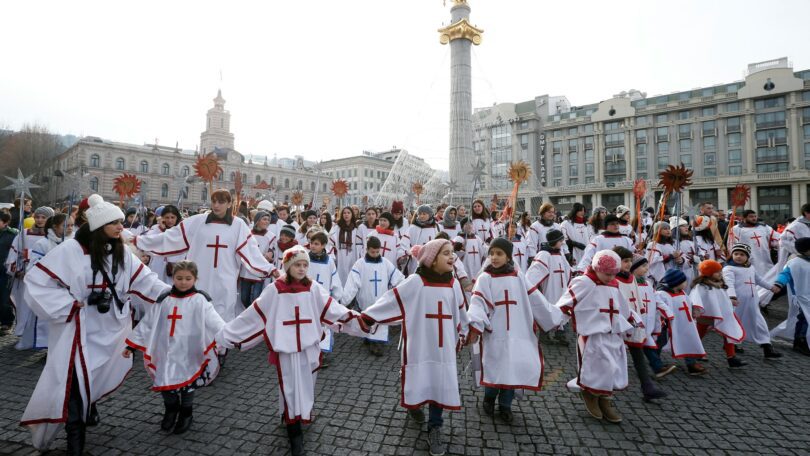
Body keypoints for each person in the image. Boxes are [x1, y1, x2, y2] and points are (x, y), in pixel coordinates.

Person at [21, 194, 170, 454]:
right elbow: (36, 282)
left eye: (121, 222)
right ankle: (75, 440)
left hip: (110, 329)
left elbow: (145, 280)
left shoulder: (121, 250)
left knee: (95, 375)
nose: (121, 227)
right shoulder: (70, 250)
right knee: (74, 382)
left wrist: (174, 293)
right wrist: (69, 304)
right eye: (114, 222)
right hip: (76, 328)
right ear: (99, 226)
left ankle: (89, 410)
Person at [216, 245, 366, 456]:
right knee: (290, 388)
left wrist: (358, 320)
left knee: (306, 385)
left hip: (309, 348)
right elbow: (253, 315)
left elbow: (333, 309)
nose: (302, 268)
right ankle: (294, 431)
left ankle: (302, 414)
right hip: (286, 350)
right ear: (287, 266)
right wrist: (227, 334)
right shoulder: (275, 289)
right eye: (297, 264)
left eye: (305, 264)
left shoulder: (313, 288)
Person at [360, 239, 469, 456]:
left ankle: (435, 426)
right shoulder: (416, 282)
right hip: (420, 344)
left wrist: (463, 332)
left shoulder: (454, 283)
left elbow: (460, 312)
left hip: (443, 347)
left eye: (452, 254)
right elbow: (393, 300)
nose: (451, 257)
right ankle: (414, 404)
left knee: (440, 380)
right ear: (431, 259)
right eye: (445, 253)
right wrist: (369, 316)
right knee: (418, 377)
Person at [134, 189, 276, 323]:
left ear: (229, 204)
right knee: (196, 314)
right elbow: (170, 237)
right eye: (214, 201)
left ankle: (218, 348)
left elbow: (251, 251)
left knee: (221, 316)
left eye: (221, 202)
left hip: (225, 280)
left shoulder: (238, 225)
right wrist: (139, 241)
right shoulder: (197, 221)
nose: (216, 205)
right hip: (199, 277)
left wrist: (269, 269)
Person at [466, 237, 562, 423]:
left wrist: (555, 315)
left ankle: (505, 405)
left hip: (518, 331)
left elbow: (536, 300)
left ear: (509, 257)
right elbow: (477, 303)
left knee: (512, 368)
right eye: (492, 253)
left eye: (499, 254)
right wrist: (475, 323)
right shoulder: (485, 278)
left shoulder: (518, 277)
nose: (494, 257)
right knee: (495, 366)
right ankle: (489, 398)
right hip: (496, 332)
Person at [124, 261, 225, 434]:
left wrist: (230, 336)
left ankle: (186, 413)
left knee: (188, 384)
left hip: (189, 351)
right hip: (166, 352)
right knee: (165, 380)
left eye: (188, 278)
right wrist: (131, 346)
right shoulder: (164, 300)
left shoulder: (200, 300)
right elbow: (148, 323)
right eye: (179, 278)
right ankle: (171, 410)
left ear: (195, 279)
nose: (183, 282)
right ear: (173, 278)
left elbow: (215, 321)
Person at [555, 250, 632, 423]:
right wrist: (556, 319)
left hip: (613, 332)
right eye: (607, 273)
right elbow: (566, 301)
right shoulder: (584, 282)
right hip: (592, 333)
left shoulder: (613, 283)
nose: (610, 277)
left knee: (613, 366)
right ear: (597, 268)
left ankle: (605, 400)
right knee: (595, 366)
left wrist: (631, 318)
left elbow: (621, 305)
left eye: (613, 274)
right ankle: (590, 394)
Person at [613, 249, 667, 402]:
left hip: (633, 322)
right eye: (625, 261)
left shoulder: (631, 278)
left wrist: (640, 316)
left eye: (630, 261)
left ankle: (647, 386)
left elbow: (636, 298)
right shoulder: (612, 280)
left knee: (638, 354)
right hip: (618, 324)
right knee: (613, 356)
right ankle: (603, 389)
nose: (628, 264)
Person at [342, 236, 404, 355]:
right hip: (365, 297)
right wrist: (344, 300)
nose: (375, 254)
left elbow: (397, 278)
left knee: (380, 320)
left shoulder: (386, 263)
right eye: (372, 252)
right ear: (367, 249)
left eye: (377, 252)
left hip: (381, 298)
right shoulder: (360, 264)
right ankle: (368, 337)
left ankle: (376, 343)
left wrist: (404, 288)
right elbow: (352, 283)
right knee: (367, 318)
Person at [723, 243, 783, 359]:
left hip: (752, 302)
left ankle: (767, 347)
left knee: (760, 323)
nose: (738, 256)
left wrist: (771, 287)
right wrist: (732, 297)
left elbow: (758, 280)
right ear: (732, 255)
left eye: (742, 254)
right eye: (736, 254)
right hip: (738, 302)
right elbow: (728, 283)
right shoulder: (729, 269)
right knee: (735, 323)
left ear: (747, 257)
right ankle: (731, 344)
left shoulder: (750, 267)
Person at [5, 206, 52, 349]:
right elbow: (14, 253)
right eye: (37, 216)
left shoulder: (51, 237)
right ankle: (24, 335)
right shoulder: (24, 234)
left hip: (43, 281)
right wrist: (17, 270)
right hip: (24, 278)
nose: (39, 220)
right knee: (24, 307)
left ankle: (40, 339)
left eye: (43, 217)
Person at [689, 260, 747, 368]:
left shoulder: (720, 285)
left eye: (720, 271)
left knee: (728, 332)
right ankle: (695, 352)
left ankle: (731, 357)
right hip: (706, 315)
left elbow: (721, 299)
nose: (720, 274)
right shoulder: (702, 286)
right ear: (709, 273)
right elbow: (695, 297)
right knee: (699, 333)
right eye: (717, 272)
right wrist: (696, 309)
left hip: (722, 314)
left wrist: (730, 301)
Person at [655, 268, 707, 376]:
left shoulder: (682, 292)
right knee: (660, 343)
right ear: (677, 282)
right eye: (684, 281)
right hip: (667, 325)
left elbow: (689, 303)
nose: (686, 283)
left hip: (685, 323)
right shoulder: (662, 294)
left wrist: (693, 309)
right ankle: (656, 364)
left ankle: (691, 364)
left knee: (689, 340)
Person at [526, 228, 570, 346]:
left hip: (561, 288)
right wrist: (529, 285)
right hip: (549, 288)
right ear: (554, 241)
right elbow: (536, 271)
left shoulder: (560, 253)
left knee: (561, 309)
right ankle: (545, 334)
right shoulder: (544, 254)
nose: (562, 243)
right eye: (561, 241)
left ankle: (560, 334)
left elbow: (567, 270)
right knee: (547, 309)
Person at [307, 229, 343, 357]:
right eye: (312, 243)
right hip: (307, 297)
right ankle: (310, 350)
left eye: (316, 244)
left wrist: (336, 297)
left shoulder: (329, 262)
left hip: (323, 299)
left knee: (324, 325)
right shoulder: (306, 259)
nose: (313, 246)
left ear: (323, 245)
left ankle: (323, 353)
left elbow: (335, 280)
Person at [771, 237, 810, 355]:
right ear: (806, 250)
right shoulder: (794, 263)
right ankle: (800, 340)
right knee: (804, 319)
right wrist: (778, 284)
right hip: (800, 297)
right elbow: (785, 274)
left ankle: (802, 339)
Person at [238, 211, 275, 310]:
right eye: (264, 219)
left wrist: (270, 253)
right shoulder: (248, 233)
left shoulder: (271, 236)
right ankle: (247, 312)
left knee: (256, 297)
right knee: (244, 297)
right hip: (246, 269)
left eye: (268, 220)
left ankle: (253, 315)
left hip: (260, 269)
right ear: (257, 221)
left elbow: (272, 249)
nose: (267, 222)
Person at [142, 205, 185, 285]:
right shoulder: (155, 229)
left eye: (172, 217)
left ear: (177, 218)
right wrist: (162, 229)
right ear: (162, 218)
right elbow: (148, 242)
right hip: (158, 265)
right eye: (167, 217)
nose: (170, 220)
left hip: (175, 267)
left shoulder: (181, 231)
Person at [729, 210, 779, 277]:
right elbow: (732, 246)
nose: (754, 218)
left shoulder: (764, 227)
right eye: (751, 217)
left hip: (764, 258)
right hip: (748, 259)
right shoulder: (736, 229)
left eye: (755, 216)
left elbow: (777, 239)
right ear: (744, 218)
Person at [404, 205, 439, 275]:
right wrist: (408, 253)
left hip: (431, 260)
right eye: (419, 214)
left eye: (424, 214)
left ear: (430, 215)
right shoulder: (412, 228)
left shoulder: (436, 228)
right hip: (414, 260)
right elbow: (405, 242)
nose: (421, 216)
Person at [646, 221, 683, 287]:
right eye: (665, 229)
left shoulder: (671, 245)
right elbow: (652, 260)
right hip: (660, 278)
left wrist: (680, 259)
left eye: (669, 228)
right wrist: (670, 256)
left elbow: (680, 257)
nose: (668, 231)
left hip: (672, 274)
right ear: (658, 231)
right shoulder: (653, 244)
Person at [331, 207, 362, 285]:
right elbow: (330, 241)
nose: (346, 215)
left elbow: (359, 245)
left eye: (348, 213)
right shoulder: (337, 228)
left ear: (352, 214)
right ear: (342, 215)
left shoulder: (356, 229)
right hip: (340, 255)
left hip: (353, 255)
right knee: (340, 274)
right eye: (344, 213)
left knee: (351, 275)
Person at [0, 212, 18, 335]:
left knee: (4, 298)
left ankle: (7, 322)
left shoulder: (12, 235)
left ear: (5, 222)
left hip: (4, 271)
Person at [460, 217, 486, 282]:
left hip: (477, 266)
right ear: (462, 227)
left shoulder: (477, 238)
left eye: (470, 224)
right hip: (465, 266)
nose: (469, 225)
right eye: (466, 224)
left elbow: (485, 250)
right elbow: (456, 254)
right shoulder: (459, 238)